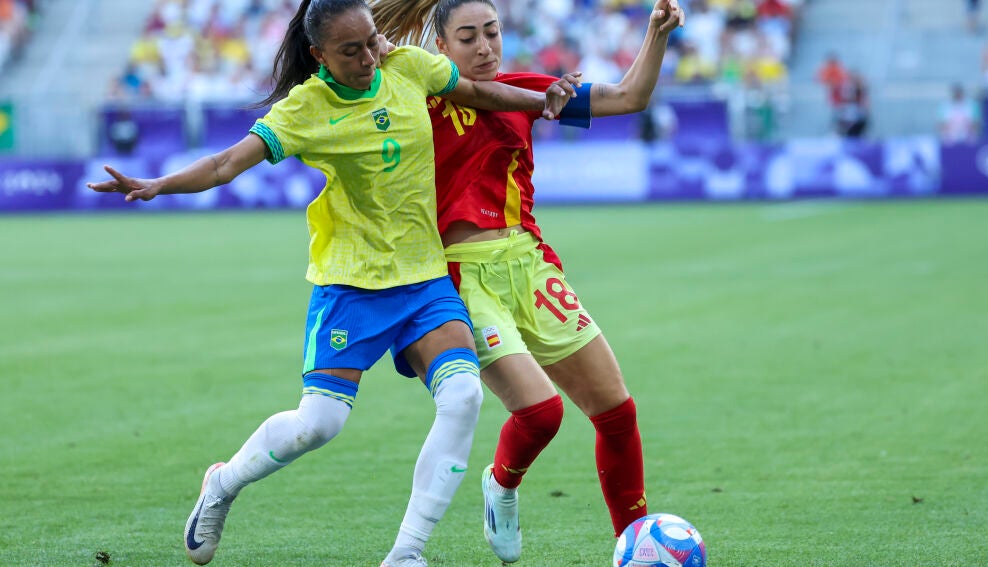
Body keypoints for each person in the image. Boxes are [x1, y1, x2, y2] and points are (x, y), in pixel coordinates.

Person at [87, 1, 575, 566]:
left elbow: (482, 93)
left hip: (423, 280)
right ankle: (222, 483)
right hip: (352, 286)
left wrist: (547, 103)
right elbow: (224, 166)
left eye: (371, 41)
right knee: (319, 424)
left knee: (462, 396)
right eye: (352, 50)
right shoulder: (304, 109)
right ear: (319, 55)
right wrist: (157, 185)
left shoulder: (409, 66)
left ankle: (407, 553)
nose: (370, 56)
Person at [370, 0, 684, 563]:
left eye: (492, 32)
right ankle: (502, 484)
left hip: (530, 263)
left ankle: (634, 547)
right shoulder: (414, 92)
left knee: (617, 413)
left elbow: (631, 97)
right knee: (541, 413)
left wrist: (656, 33)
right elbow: (360, 57)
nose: (485, 46)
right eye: (467, 37)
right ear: (439, 47)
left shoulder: (525, 90)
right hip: (461, 276)